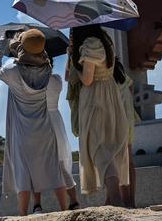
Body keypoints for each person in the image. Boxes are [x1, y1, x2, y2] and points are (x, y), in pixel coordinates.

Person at [0, 29, 67, 216]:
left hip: (23, 131)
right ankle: (66, 210)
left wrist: (0, 49)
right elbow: (36, 58)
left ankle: (23, 215)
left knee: (23, 173)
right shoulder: (47, 70)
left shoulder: (12, 71)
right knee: (53, 169)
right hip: (44, 129)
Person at [70, 24, 130, 206]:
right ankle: (110, 200)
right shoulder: (105, 41)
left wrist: (76, 68)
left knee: (99, 150)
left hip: (96, 99)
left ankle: (115, 197)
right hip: (110, 96)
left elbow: (88, 80)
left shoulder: (90, 44)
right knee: (109, 148)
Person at [32, 57, 80, 213]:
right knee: (61, 165)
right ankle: (73, 201)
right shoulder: (57, 79)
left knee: (36, 164)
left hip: (41, 121)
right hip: (56, 120)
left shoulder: (35, 82)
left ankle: (37, 204)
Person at [114, 59, 139, 208]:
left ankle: (125, 202)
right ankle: (131, 201)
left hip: (117, 117)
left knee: (119, 162)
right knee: (128, 160)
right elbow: (130, 85)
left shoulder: (105, 70)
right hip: (127, 114)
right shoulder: (119, 68)